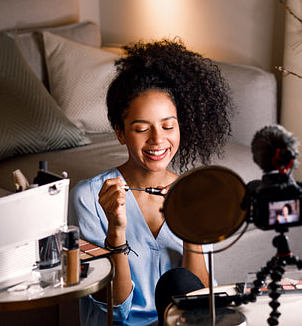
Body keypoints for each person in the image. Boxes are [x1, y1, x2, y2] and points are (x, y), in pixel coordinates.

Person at [68, 39, 233, 326]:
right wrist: (116, 231)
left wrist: (191, 232)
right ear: (120, 133)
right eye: (142, 129)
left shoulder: (191, 193)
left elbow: (198, 302)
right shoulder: (89, 197)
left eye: (168, 126)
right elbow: (115, 309)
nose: (157, 140)